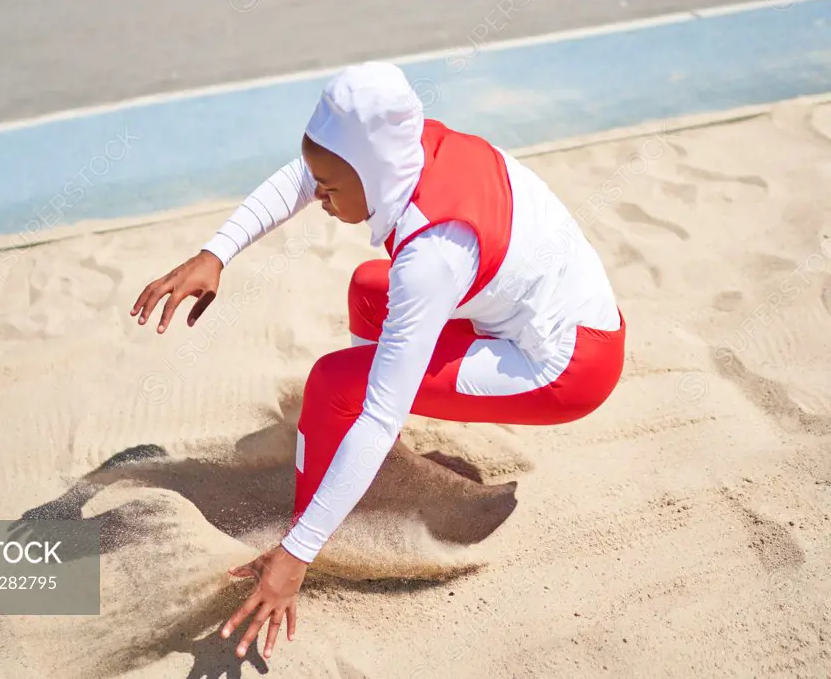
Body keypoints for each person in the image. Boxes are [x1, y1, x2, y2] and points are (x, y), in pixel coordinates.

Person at [130, 61, 625, 661]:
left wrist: (295, 556)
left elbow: (378, 414)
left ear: (373, 171)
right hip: (533, 310)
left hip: (566, 366)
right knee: (370, 290)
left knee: (338, 385)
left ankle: (306, 528)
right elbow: (305, 176)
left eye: (332, 188)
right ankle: (347, 477)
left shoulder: (433, 255)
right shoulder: (410, 147)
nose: (320, 198)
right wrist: (217, 253)